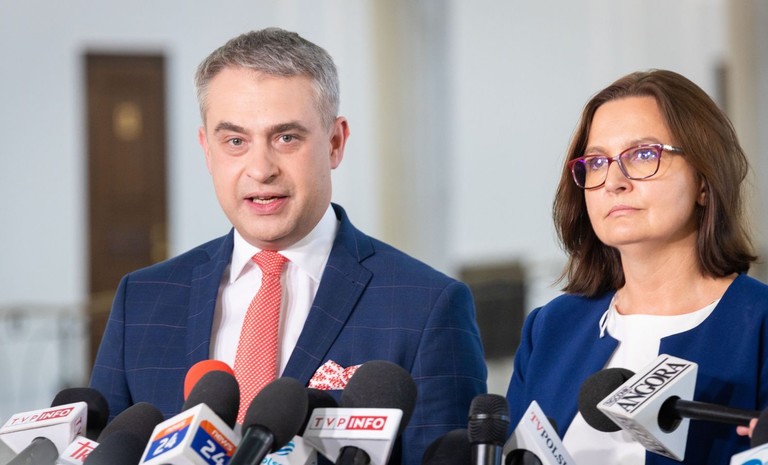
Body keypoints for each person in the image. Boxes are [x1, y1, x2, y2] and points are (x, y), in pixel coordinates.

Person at [89, 27, 487, 465]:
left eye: (286, 138)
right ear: (207, 150)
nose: (261, 169)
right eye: (235, 141)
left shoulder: (427, 306)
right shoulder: (142, 299)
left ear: (335, 142)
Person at [505, 69, 768, 464]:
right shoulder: (552, 328)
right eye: (597, 162)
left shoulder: (759, 325)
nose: (613, 181)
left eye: (644, 155)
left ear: (703, 180)